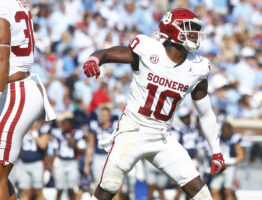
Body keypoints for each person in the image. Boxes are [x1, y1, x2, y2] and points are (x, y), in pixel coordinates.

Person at [82, 8, 226, 200]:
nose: (194, 33)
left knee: (202, 194)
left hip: (162, 137)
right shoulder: (148, 49)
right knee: (106, 190)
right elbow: (108, 53)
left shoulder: (198, 68)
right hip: (132, 132)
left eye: (196, 29)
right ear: (173, 29)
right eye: (189, 28)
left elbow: (206, 113)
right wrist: (95, 59)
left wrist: (216, 151)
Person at [0, 1, 55, 199]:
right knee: (2, 177)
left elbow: (2, 58)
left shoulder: (3, 6)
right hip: (17, 88)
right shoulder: (16, 2)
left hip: (16, 92)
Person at [52, 117, 87, 200]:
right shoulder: (58, 133)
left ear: (71, 125)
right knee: (59, 189)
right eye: (63, 123)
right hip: (60, 162)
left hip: (72, 162)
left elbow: (82, 151)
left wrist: (74, 144)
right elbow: (54, 150)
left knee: (71, 189)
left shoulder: (78, 134)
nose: (63, 126)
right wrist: (52, 164)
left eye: (66, 124)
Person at [210, 122, 244, 200]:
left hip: (230, 167)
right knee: (214, 190)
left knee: (228, 191)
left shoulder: (234, 138)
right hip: (219, 167)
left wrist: (228, 161)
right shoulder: (218, 138)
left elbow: (241, 156)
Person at [18, 120, 51, 200]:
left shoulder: (42, 130)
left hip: (37, 163)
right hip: (24, 163)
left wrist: (34, 133)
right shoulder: (24, 129)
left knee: (38, 191)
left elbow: (43, 145)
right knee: (24, 191)